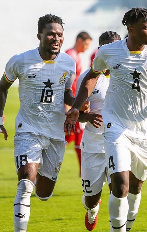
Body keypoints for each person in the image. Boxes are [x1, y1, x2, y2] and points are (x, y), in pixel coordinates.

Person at [65, 7, 147, 232]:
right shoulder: (109, 51)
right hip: (116, 126)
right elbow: (91, 75)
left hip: (146, 131)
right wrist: (77, 108)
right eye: (146, 26)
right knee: (119, 184)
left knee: (135, 188)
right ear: (130, 29)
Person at [0, 14, 76, 232]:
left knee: (44, 193)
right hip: (28, 129)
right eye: (50, 33)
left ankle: (37, 179)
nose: (56, 38)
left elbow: (66, 93)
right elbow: (2, 88)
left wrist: (78, 107)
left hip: (56, 134)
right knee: (25, 182)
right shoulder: (20, 61)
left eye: (59, 34)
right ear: (39, 35)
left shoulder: (69, 63)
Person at [77, 31, 121, 232]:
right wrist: (85, 115)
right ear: (100, 50)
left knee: (119, 191)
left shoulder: (128, 77)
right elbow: (75, 114)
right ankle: (92, 210)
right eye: (106, 49)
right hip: (93, 144)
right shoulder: (89, 77)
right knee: (91, 198)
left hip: (119, 144)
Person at [65, 31, 92, 176]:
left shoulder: (75, 56)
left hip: (75, 103)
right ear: (80, 41)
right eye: (86, 44)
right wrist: (67, 107)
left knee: (70, 136)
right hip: (72, 104)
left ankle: (84, 170)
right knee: (76, 137)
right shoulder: (70, 56)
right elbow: (66, 84)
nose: (87, 48)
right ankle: (85, 171)